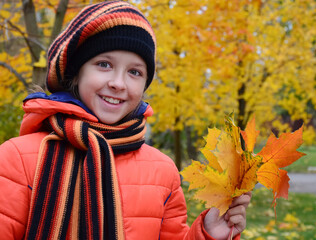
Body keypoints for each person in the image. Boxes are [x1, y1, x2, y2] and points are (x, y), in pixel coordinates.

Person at [0, 1, 251, 239]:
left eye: (134, 72)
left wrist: (209, 233)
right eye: (104, 64)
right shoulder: (16, 158)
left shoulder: (162, 171)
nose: (118, 83)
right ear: (76, 73)